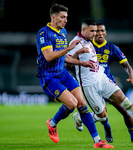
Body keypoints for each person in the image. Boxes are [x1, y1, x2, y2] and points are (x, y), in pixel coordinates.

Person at [68, 18, 133, 142]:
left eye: (98, 31)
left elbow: (126, 64)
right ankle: (80, 117)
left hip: (102, 79)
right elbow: (67, 65)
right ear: (83, 30)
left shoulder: (101, 44)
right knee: (102, 116)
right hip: (89, 85)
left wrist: (131, 76)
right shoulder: (75, 43)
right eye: (93, 31)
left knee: (125, 103)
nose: (96, 34)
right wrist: (78, 56)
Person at [36, 4, 114, 148]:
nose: (65, 20)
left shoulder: (63, 32)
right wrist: (70, 48)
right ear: (53, 17)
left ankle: (97, 141)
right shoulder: (43, 33)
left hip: (63, 73)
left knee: (81, 103)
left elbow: (63, 57)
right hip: (49, 76)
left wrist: (81, 63)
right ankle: (52, 123)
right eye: (62, 17)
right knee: (72, 104)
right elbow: (49, 56)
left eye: (66, 17)